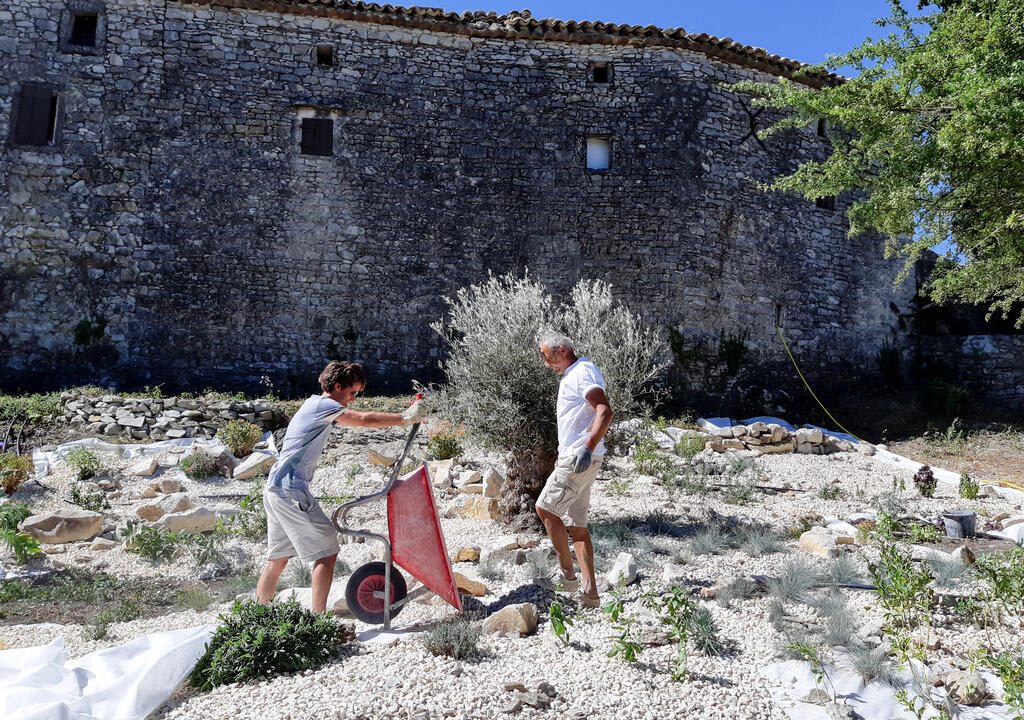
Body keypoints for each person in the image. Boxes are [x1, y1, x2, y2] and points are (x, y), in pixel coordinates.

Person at [255, 360, 427, 613]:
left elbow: (358, 418)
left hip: (274, 490)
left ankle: (259, 615)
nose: (353, 399)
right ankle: (318, 620)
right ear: (337, 386)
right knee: (327, 551)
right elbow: (363, 419)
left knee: (277, 559)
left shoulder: (312, 404)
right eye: (352, 393)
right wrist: (405, 417)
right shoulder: (324, 405)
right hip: (291, 492)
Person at [535, 334, 613, 608]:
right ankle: (590, 593)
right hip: (583, 457)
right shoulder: (577, 373)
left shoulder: (582, 372)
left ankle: (568, 577)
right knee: (576, 525)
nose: (547, 364)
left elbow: (604, 410)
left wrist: (587, 447)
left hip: (577, 458)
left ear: (563, 350)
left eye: (548, 357)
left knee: (545, 508)